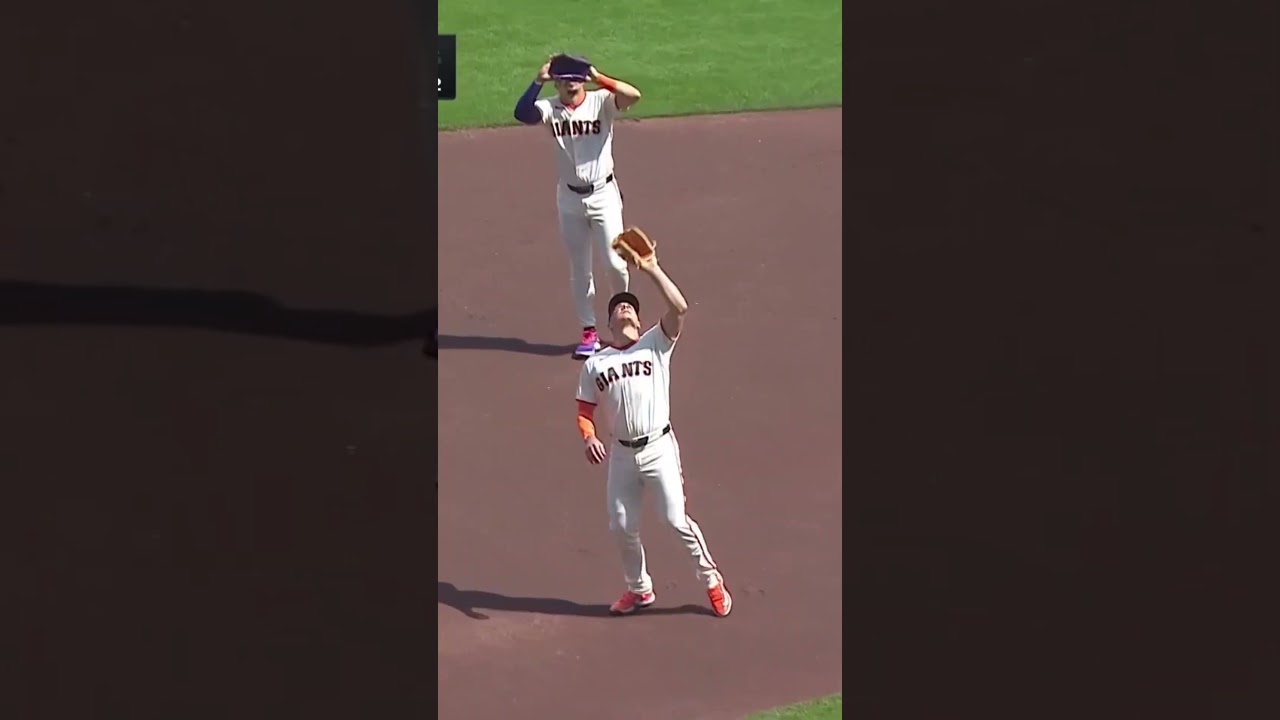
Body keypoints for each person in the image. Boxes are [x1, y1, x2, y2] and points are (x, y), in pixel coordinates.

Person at [573, 253, 732, 618]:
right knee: (621, 525)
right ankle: (639, 589)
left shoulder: (655, 344)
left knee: (675, 519)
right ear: (609, 321)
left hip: (659, 447)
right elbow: (584, 409)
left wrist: (652, 269)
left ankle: (710, 578)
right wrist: (589, 437)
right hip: (622, 455)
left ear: (639, 319)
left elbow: (680, 307)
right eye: (619, 307)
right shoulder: (596, 363)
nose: (625, 309)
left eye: (631, 307)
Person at [513, 54, 643, 359]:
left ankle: (623, 318)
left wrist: (599, 77)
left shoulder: (601, 102)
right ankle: (589, 331)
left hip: (604, 195)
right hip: (569, 199)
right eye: (564, 78)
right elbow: (522, 113)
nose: (570, 83)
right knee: (580, 268)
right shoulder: (549, 107)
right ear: (556, 81)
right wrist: (536, 81)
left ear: (583, 80)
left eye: (575, 78)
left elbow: (633, 95)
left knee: (615, 263)